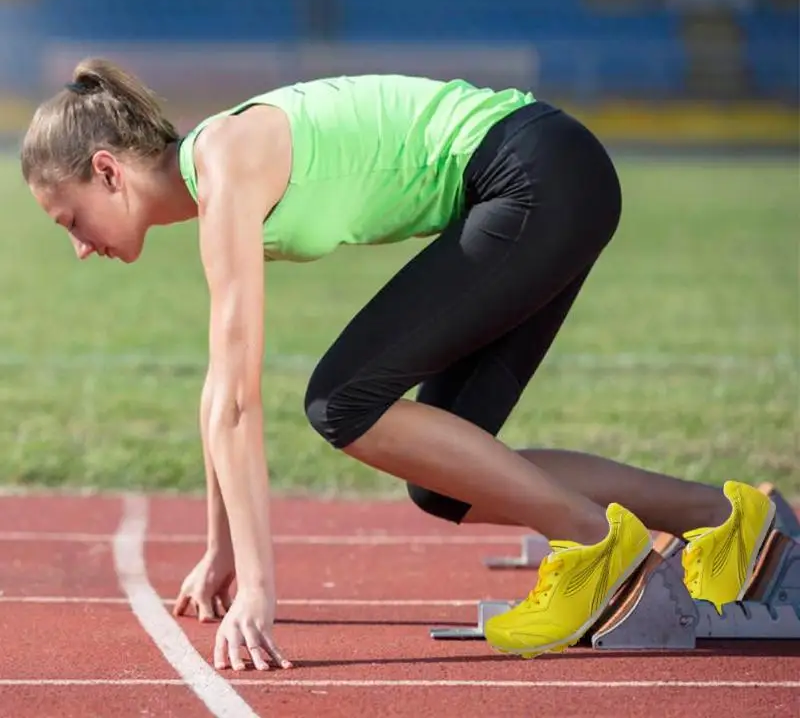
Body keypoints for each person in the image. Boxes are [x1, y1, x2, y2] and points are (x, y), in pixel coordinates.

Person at [20, 59, 776, 670]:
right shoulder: (217, 177)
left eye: (71, 219)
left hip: (535, 174)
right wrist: (221, 548)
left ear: (108, 170)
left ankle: (593, 545)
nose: (79, 246)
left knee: (341, 401)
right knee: (443, 481)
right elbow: (223, 387)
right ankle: (730, 519)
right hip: (545, 179)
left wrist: (259, 587)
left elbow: (240, 404)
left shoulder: (225, 164)